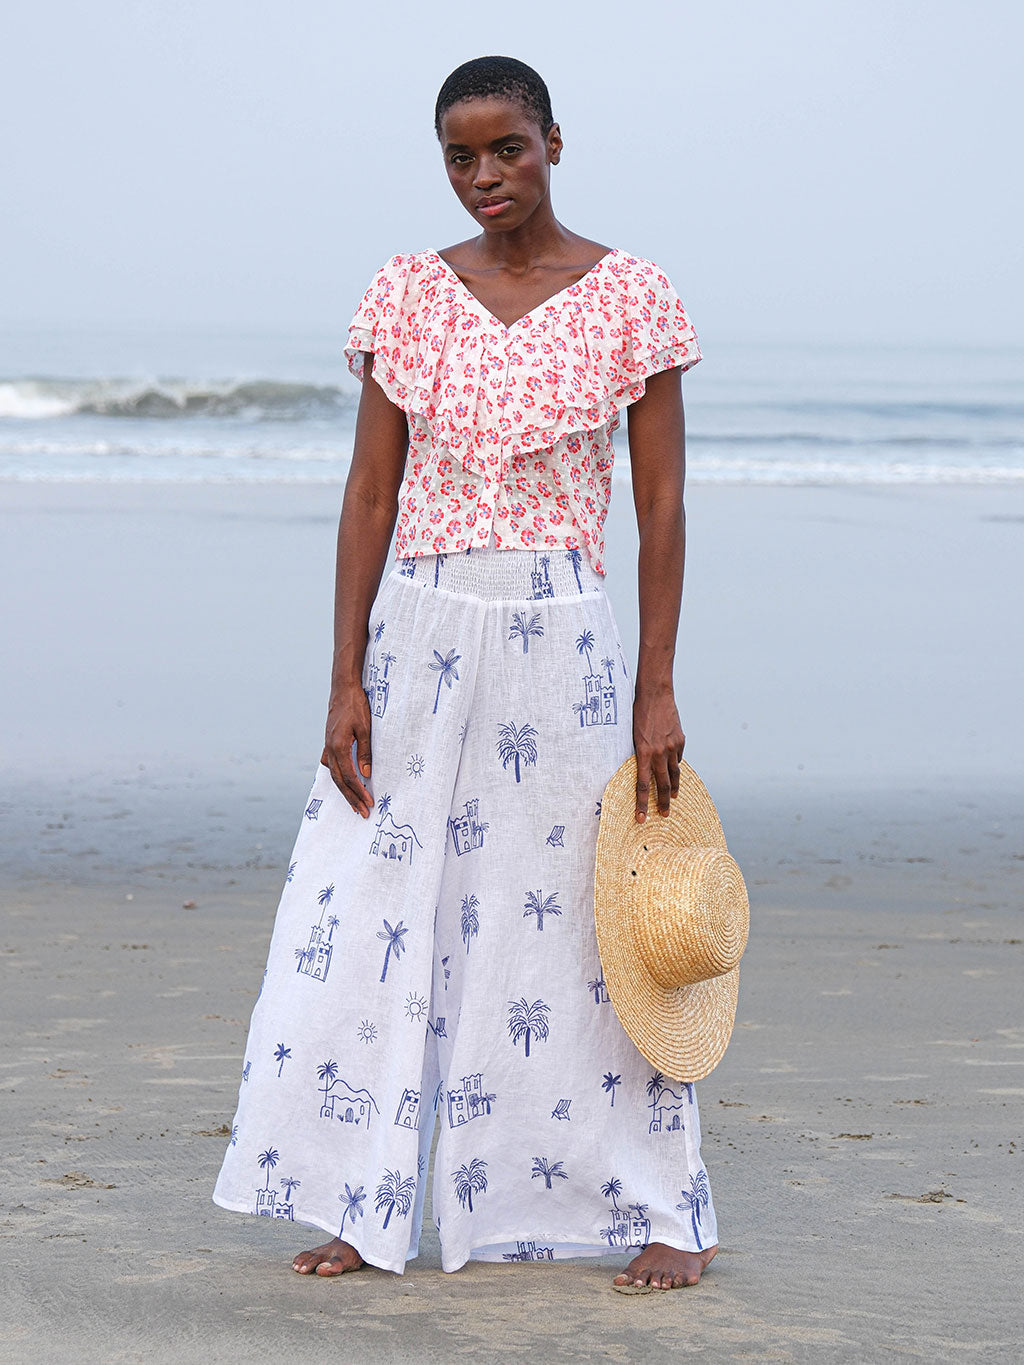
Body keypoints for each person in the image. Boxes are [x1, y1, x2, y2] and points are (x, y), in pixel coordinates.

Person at [211, 53, 718, 1293]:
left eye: (508, 148)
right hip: (419, 634)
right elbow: (371, 493)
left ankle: (662, 1209)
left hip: (566, 644)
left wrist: (656, 686)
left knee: (587, 924)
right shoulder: (407, 295)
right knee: (371, 917)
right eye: (460, 154)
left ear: (555, 142)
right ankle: (364, 1201)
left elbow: (660, 507)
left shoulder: (628, 297)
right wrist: (344, 677)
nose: (484, 175)